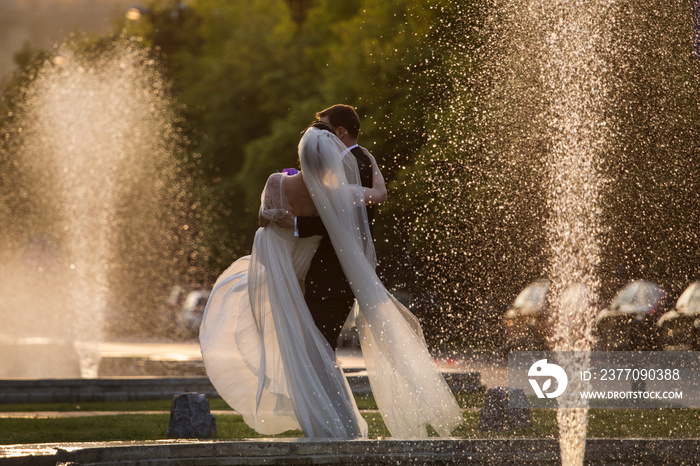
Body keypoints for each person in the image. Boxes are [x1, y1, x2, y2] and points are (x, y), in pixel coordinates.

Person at [200, 125, 463, 440]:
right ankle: (330, 419)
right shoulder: (333, 197)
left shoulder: (277, 182)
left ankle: (324, 419)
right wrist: (373, 165)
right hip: (300, 274)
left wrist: (286, 221)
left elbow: (262, 219)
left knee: (299, 347)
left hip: (280, 270)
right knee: (310, 350)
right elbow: (376, 197)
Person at [277, 104, 387, 350]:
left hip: (332, 274)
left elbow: (336, 223)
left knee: (317, 349)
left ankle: (320, 390)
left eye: (325, 130)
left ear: (339, 132)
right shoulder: (365, 158)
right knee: (318, 347)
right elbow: (378, 196)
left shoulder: (347, 167)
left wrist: (296, 223)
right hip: (343, 273)